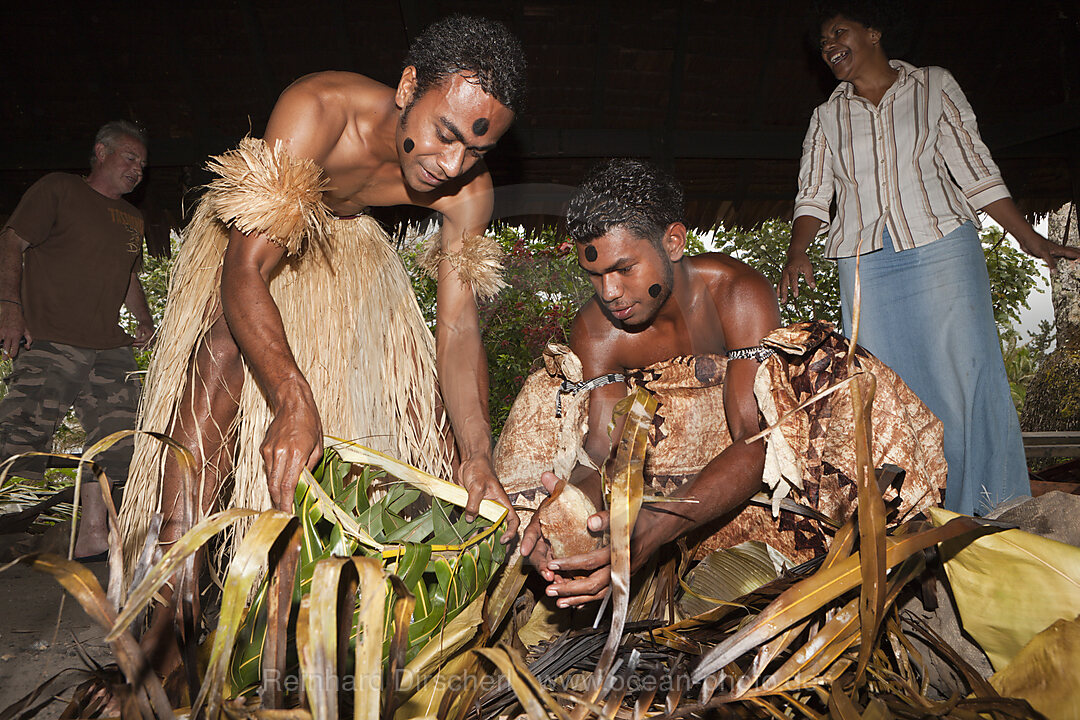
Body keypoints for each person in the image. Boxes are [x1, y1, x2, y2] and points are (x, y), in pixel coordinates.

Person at [116, 14, 525, 676]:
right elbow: (246, 270)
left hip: (351, 254)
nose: (451, 164)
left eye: (474, 151)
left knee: (431, 416)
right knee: (222, 347)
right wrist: (291, 393)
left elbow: (456, 333)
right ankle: (167, 608)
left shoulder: (467, 193)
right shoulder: (317, 110)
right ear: (408, 86)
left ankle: (371, 615)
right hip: (266, 235)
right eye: (445, 134)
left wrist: (479, 455)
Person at [511, 159, 945, 608]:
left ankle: (899, 538)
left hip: (738, 482)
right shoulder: (597, 331)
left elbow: (753, 439)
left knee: (828, 365)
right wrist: (563, 513)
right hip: (660, 478)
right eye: (596, 276)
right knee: (548, 393)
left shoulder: (735, 293)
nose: (610, 293)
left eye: (624, 269)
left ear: (673, 241)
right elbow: (603, 450)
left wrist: (658, 524)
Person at [777, 3, 1080, 517]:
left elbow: (973, 165)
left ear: (874, 32)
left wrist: (1028, 236)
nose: (828, 44)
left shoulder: (933, 87)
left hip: (943, 248)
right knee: (889, 392)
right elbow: (813, 194)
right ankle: (913, 518)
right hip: (865, 263)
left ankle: (989, 512)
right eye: (823, 40)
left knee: (966, 378)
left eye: (839, 31)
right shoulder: (827, 117)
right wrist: (798, 251)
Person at [0, 120, 155, 559]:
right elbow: (11, 242)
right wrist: (8, 306)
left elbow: (127, 276)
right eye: (130, 158)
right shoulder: (59, 189)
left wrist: (143, 321)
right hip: (51, 337)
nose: (138, 170)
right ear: (101, 152)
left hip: (110, 346)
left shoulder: (134, 218)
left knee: (118, 440)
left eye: (143, 165)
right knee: (18, 436)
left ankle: (92, 535)